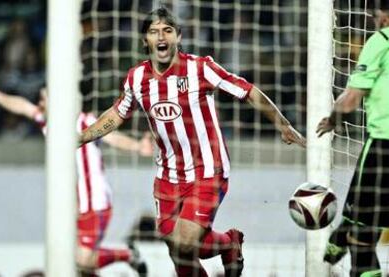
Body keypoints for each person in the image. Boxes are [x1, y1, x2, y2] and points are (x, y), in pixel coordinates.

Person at [79, 7, 306, 277]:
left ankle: (229, 242)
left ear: (178, 36)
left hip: (208, 169)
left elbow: (248, 91)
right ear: (145, 40)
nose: (161, 37)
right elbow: (117, 114)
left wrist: (283, 124)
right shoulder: (137, 78)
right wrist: (81, 137)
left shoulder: (201, 68)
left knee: (186, 242)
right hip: (168, 175)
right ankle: (228, 244)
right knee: (178, 253)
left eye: (167, 30)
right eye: (154, 32)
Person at [0, 78, 153, 277]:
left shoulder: (83, 121)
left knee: (81, 259)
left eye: (45, 98)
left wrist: (137, 146)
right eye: (41, 99)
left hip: (96, 202)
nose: (40, 103)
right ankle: (125, 257)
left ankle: (127, 254)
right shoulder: (47, 123)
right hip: (74, 208)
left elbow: (112, 137)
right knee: (78, 266)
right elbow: (23, 106)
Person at [316, 7, 389, 277]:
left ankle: (341, 237)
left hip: (384, 146)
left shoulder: (380, 40)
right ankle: (340, 235)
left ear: (384, 17)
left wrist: (334, 118)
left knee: (362, 241)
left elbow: (349, 100)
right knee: (367, 216)